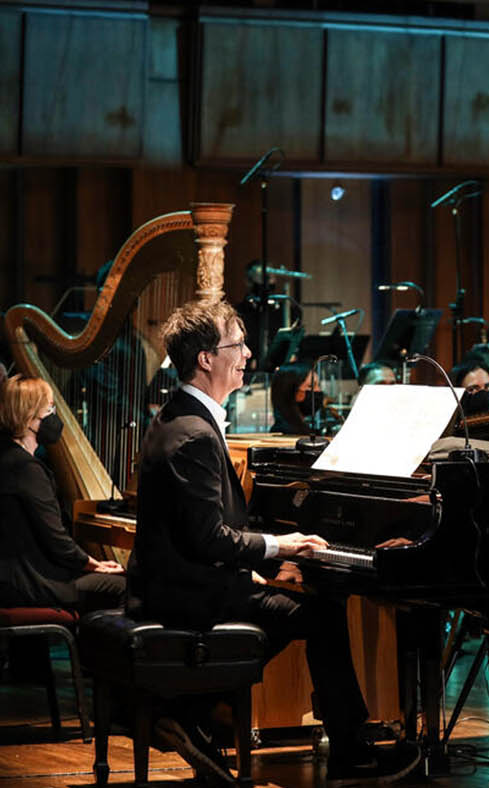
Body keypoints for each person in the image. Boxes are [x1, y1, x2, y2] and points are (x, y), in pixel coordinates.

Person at [127, 300, 419, 783]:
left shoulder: (175, 416)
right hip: (190, 595)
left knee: (302, 604)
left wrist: (258, 562)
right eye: (238, 345)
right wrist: (281, 546)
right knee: (321, 614)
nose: (248, 354)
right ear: (205, 358)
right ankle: (348, 751)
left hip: (176, 582)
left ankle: (201, 710)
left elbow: (202, 531)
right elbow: (208, 538)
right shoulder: (195, 434)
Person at [0, 375, 126, 611]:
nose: (54, 416)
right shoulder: (26, 469)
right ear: (29, 417)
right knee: (126, 587)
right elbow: (57, 541)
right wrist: (96, 565)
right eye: (49, 409)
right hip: (24, 582)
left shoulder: (1, 456)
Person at [269, 363, 317, 435]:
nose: (318, 390)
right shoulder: (285, 433)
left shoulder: (303, 429)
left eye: (318, 385)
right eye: (311, 386)